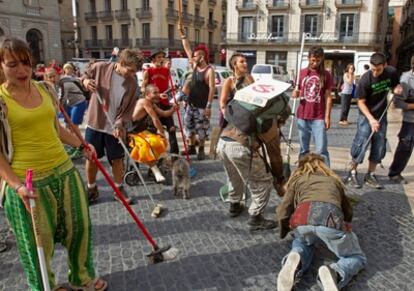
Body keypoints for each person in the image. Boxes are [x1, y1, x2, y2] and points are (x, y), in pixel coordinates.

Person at [0, 36, 106, 291]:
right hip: (27, 182)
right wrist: (16, 186)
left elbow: (56, 129)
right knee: (38, 243)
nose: (22, 70)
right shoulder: (1, 101)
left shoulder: (45, 89)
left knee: (79, 228)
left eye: (25, 63)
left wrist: (82, 145)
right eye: (12, 64)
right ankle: (45, 286)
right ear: (1, 66)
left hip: (64, 171)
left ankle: (81, 278)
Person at [276, 153, 366, 291]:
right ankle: (336, 272)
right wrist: (347, 223)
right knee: (355, 256)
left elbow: (283, 210)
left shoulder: (298, 179)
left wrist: (284, 231)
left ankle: (296, 259)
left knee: (303, 242)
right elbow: (347, 208)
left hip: (302, 220)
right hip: (330, 220)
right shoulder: (333, 180)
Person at [217, 53, 279, 231]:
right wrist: (234, 117)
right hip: (238, 127)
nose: (245, 63)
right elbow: (222, 104)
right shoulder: (229, 81)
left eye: (245, 61)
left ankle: (235, 205)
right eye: (242, 61)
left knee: (234, 174)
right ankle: (255, 217)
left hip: (226, 140)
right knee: (260, 179)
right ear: (234, 65)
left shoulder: (250, 78)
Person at [81, 48, 142, 204]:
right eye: (130, 70)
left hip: (115, 126)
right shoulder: (101, 68)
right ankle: (91, 188)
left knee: (117, 159)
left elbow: (128, 109)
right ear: (121, 63)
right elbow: (84, 75)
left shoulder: (132, 83)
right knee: (92, 158)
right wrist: (86, 82)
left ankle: (119, 189)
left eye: (134, 71)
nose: (132, 73)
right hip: (96, 123)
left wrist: (120, 124)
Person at [344, 52, 402, 189]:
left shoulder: (392, 72)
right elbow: (360, 102)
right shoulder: (366, 79)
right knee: (361, 142)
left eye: (378, 70)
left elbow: (395, 85)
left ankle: (370, 174)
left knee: (379, 144)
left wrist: (397, 88)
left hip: (381, 114)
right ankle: (352, 173)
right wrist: (371, 120)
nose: (375, 73)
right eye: (373, 69)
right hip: (366, 115)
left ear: (385, 66)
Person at [178, 23, 215, 160]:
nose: (194, 57)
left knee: (202, 129)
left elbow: (212, 88)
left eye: (198, 55)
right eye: (194, 55)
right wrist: (183, 34)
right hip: (190, 104)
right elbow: (187, 48)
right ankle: (191, 147)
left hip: (202, 105)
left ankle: (201, 149)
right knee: (189, 127)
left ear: (204, 56)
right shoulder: (193, 66)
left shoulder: (209, 70)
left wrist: (209, 106)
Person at [292, 46, 333, 166]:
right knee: (303, 149)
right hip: (303, 115)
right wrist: (295, 93)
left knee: (321, 149)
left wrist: (327, 117)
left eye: (318, 60)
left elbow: (328, 97)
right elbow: (297, 91)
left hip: (318, 116)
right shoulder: (302, 73)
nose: (315, 63)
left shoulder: (326, 74)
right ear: (308, 58)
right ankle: (302, 171)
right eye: (313, 60)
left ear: (322, 59)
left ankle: (326, 173)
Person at [132, 84, 178, 182]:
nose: (158, 95)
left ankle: (155, 168)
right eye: (155, 93)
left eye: (158, 92)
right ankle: (155, 171)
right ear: (147, 94)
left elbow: (164, 114)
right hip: (131, 132)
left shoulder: (151, 103)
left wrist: (173, 109)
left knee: (160, 142)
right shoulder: (144, 102)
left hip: (141, 132)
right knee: (147, 145)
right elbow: (155, 118)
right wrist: (162, 132)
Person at [141, 49, 179, 154]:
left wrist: (172, 89)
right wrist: (155, 96)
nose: (161, 59)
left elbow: (167, 86)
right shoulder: (148, 71)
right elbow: (143, 89)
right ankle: (152, 155)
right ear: (153, 59)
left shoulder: (167, 71)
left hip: (165, 103)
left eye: (162, 57)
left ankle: (175, 155)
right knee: (152, 130)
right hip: (154, 104)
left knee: (171, 129)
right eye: (159, 57)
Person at [388, 55, 414, 184]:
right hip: (411, 121)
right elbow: (398, 103)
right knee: (405, 147)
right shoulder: (406, 79)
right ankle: (395, 173)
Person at [59, 63, 88, 159]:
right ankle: (74, 145)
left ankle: (81, 148)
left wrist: (56, 107)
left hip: (78, 103)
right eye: (66, 68)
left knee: (74, 127)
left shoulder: (64, 82)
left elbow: (62, 97)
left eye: (69, 68)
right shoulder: (66, 80)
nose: (68, 70)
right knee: (69, 127)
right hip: (71, 104)